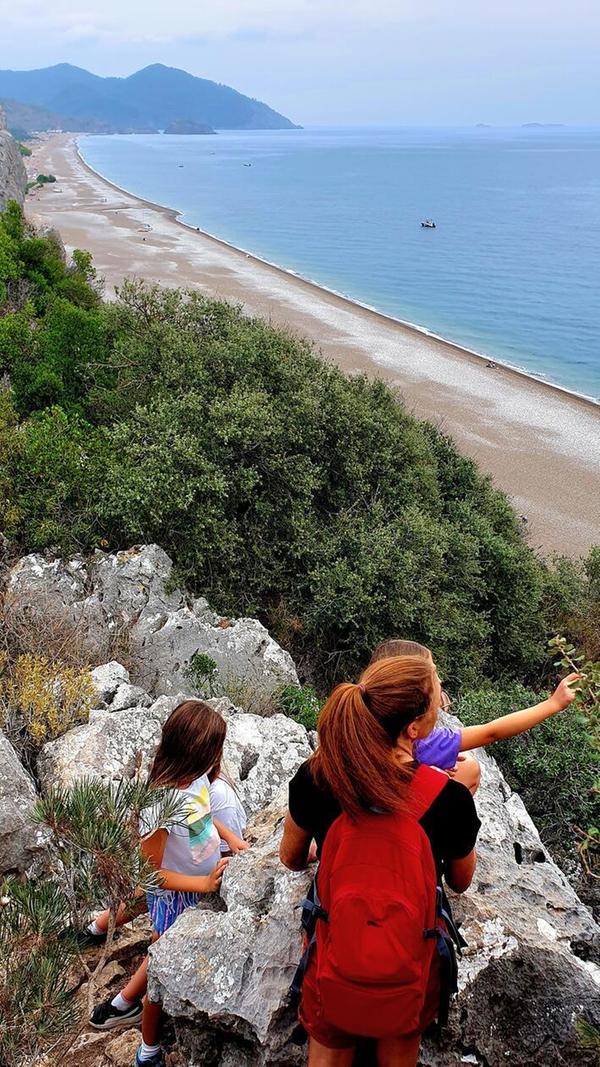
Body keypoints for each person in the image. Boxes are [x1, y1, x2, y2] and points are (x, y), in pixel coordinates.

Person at [281, 654, 481, 1067]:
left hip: (334, 953)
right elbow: (460, 881)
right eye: (436, 694)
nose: (442, 698)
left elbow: (290, 858)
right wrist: (460, 804)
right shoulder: (450, 799)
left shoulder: (317, 777)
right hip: (407, 967)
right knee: (399, 1037)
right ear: (413, 728)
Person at [89, 700, 232, 1067]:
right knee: (160, 971)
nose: (219, 755)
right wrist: (202, 885)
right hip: (178, 897)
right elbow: (149, 875)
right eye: (214, 748)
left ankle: (121, 1002)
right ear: (196, 752)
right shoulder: (160, 803)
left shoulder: (198, 778)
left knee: (158, 960)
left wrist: (236, 839)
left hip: (199, 881)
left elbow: (206, 816)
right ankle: (147, 1049)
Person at [370, 639, 579, 794]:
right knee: (466, 771)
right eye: (433, 675)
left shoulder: (355, 728)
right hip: (395, 837)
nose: (440, 680)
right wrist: (553, 704)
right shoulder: (421, 741)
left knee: (466, 767)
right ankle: (442, 846)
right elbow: (491, 732)